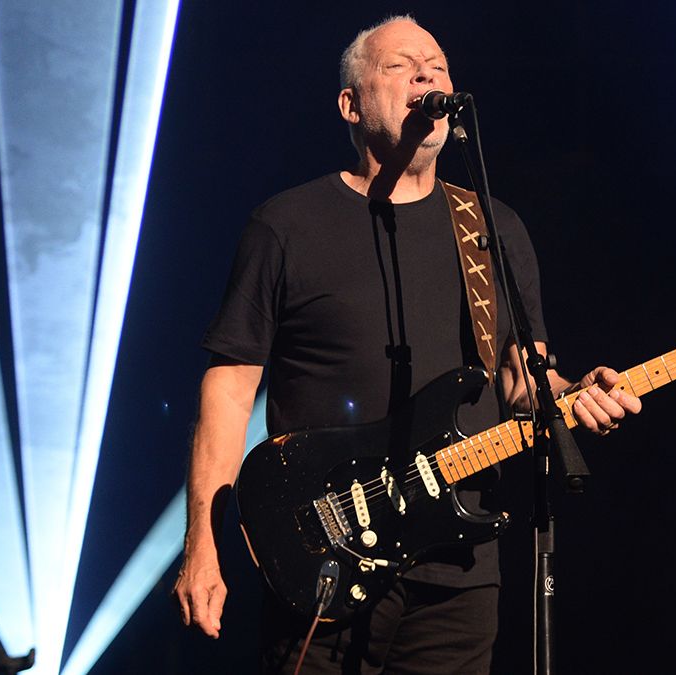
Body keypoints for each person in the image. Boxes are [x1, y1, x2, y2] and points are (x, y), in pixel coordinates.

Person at [172, 15, 641, 673]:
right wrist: (202, 543)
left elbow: (519, 379)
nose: (427, 73)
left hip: (460, 571)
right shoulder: (286, 225)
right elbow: (228, 391)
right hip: (325, 561)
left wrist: (574, 394)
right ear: (351, 104)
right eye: (399, 65)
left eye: (439, 66)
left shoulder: (493, 229)